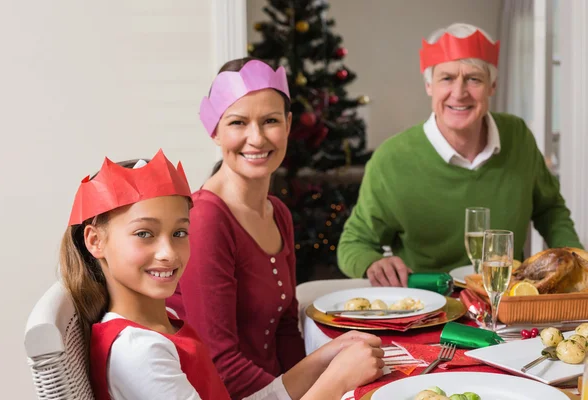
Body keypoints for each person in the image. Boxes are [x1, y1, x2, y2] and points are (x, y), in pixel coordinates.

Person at [60, 149, 384, 400]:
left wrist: (320, 361)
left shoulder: (166, 321)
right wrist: (336, 380)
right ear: (95, 240)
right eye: (144, 233)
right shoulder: (138, 352)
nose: (168, 252)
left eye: (180, 233)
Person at [337, 23, 583, 287]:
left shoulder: (518, 136)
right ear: (429, 85)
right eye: (447, 78)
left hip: (505, 301)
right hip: (428, 308)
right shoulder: (391, 159)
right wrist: (373, 262)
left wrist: (578, 263)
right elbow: (353, 244)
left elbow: (550, 210)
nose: (459, 92)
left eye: (474, 78)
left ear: (493, 85)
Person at [167, 57, 323, 399]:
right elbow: (219, 365)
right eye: (238, 122)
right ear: (214, 130)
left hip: (276, 390)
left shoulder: (277, 212)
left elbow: (285, 331)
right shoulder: (205, 220)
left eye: (270, 121)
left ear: (288, 124)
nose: (257, 138)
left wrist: (312, 385)